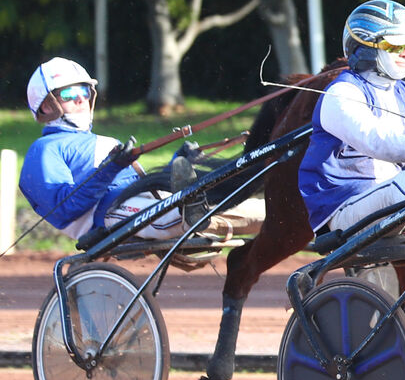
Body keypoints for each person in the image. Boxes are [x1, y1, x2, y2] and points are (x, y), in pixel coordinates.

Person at [19, 57, 260, 243]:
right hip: (114, 215)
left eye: (83, 90)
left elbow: (144, 184)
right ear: (47, 107)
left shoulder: (100, 140)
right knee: (185, 212)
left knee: (264, 211)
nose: (81, 99)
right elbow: (63, 209)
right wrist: (110, 168)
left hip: (150, 202)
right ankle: (195, 208)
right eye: (70, 93)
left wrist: (180, 161)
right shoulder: (43, 150)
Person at [298, 0, 405, 238]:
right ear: (366, 47)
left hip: (386, 205)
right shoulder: (341, 93)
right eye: (394, 46)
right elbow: (378, 143)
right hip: (341, 211)